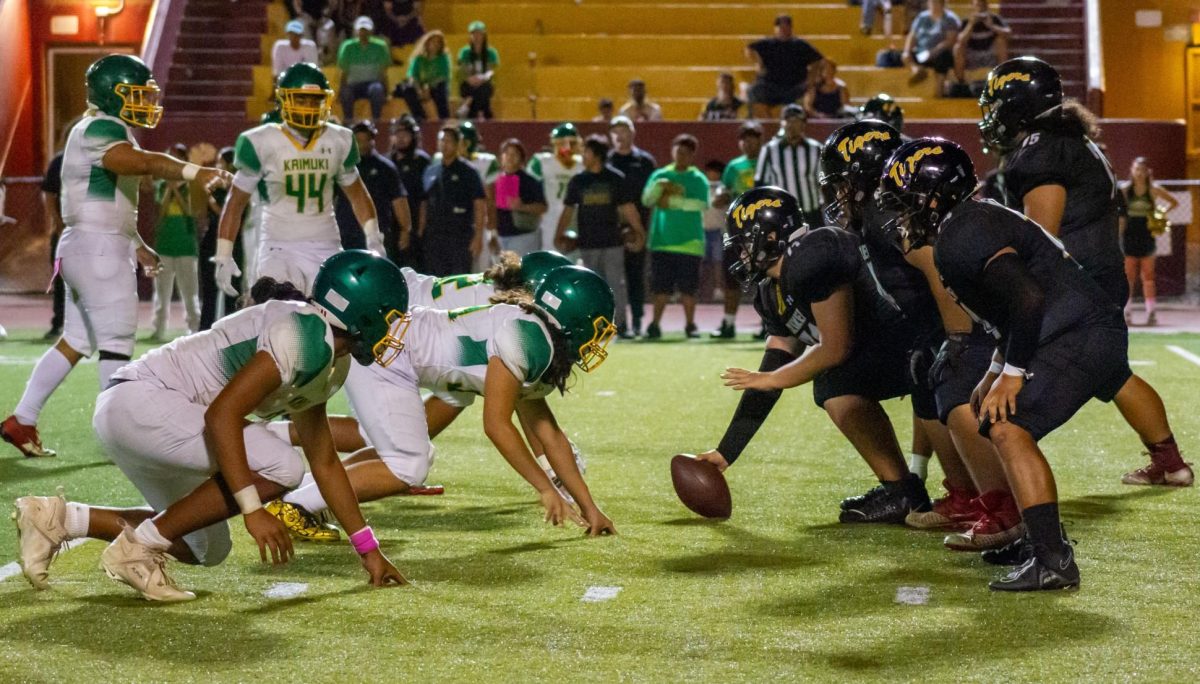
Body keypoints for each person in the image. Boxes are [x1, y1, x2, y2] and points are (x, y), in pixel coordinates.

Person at [12, 252, 410, 599]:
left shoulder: (326, 356)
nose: (393, 331)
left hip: (145, 413)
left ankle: (58, 519)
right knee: (283, 466)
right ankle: (140, 547)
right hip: (144, 403)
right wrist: (253, 509)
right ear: (361, 313)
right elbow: (222, 415)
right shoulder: (304, 336)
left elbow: (324, 462)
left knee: (204, 547)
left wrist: (368, 549)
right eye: (390, 318)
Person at [877, 138, 1143, 591]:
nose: (901, 214)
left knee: (1009, 427)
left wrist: (1014, 373)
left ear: (935, 197)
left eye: (906, 202)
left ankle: (1052, 558)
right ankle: (1034, 544)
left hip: (1078, 333)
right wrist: (997, 366)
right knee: (995, 418)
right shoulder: (965, 225)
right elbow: (1005, 307)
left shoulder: (965, 231)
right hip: (1072, 329)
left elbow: (1027, 296)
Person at [267, 265, 619, 538]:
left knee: (409, 453)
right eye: (599, 329)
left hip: (399, 353)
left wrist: (590, 508)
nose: (599, 341)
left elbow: (549, 433)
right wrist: (544, 487)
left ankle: (302, 497)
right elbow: (496, 425)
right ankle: (295, 504)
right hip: (387, 351)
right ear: (576, 320)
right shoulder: (529, 340)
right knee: (408, 464)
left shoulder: (540, 341)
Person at [2, 54, 230, 460]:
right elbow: (138, 163)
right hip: (98, 248)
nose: (145, 103)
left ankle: (22, 418)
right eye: (136, 95)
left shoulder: (104, 128)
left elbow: (109, 200)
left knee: (76, 340)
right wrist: (196, 172)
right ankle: (120, 435)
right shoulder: (103, 127)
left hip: (90, 243)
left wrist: (137, 241)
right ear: (112, 94)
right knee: (117, 341)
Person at [981, 56, 1191, 487]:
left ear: (1018, 105)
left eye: (998, 103)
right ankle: (1171, 465)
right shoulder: (1070, 139)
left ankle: (997, 497)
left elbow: (1040, 237)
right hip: (1099, 276)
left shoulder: (1043, 149)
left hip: (1077, 286)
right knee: (1113, 373)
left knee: (1003, 391)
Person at [820, 121, 1018, 549]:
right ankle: (966, 494)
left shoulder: (891, 211)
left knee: (945, 381)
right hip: (939, 325)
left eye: (842, 183)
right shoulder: (879, 210)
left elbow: (936, 269)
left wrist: (957, 339)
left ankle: (994, 503)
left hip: (969, 324)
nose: (837, 194)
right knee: (926, 375)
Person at [692, 187, 932, 523]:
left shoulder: (812, 254)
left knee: (834, 381)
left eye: (745, 243)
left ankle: (920, 491)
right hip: (891, 352)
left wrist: (773, 378)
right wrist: (727, 451)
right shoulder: (771, 290)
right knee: (835, 383)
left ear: (772, 236)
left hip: (921, 345)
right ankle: (902, 490)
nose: (742, 254)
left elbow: (835, 347)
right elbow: (771, 371)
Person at [214, 63, 385, 300]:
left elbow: (357, 194)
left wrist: (374, 238)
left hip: (326, 244)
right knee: (279, 314)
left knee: (335, 318)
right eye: (301, 99)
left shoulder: (339, 139)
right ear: (283, 101)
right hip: (278, 246)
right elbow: (236, 201)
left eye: (314, 100)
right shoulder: (262, 140)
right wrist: (224, 253)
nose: (309, 107)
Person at [557, 135, 645, 337]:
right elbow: (568, 209)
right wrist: (558, 234)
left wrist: (639, 230)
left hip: (612, 242)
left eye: (586, 151)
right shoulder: (578, 181)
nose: (582, 155)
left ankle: (620, 325)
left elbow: (628, 207)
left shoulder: (614, 178)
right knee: (590, 288)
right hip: (587, 242)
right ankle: (594, 328)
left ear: (596, 155)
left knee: (615, 285)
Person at [641, 134, 709, 339]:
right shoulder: (660, 175)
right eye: (678, 152)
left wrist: (670, 202)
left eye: (686, 153)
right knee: (660, 289)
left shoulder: (698, 179)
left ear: (692, 156)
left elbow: (700, 204)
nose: (681, 156)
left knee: (689, 289)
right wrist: (659, 186)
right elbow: (647, 200)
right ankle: (654, 324)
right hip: (662, 241)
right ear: (672, 152)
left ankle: (690, 325)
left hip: (690, 243)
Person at [710, 121, 763, 339]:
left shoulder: (766, 161)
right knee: (732, 278)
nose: (747, 142)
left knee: (765, 279)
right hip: (738, 230)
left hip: (763, 230)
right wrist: (721, 196)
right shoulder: (733, 166)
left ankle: (767, 325)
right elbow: (724, 190)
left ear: (760, 140)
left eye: (752, 137)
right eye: (744, 138)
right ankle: (728, 324)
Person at [607, 116, 657, 337]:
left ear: (632, 133)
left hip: (639, 226)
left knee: (635, 274)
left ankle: (636, 320)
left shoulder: (645, 161)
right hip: (610, 227)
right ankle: (615, 321)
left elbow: (651, 196)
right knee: (611, 277)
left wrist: (642, 229)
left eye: (623, 130)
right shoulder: (606, 160)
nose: (619, 136)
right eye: (615, 132)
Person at [336, 120, 411, 263]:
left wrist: (405, 230)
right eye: (358, 140)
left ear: (373, 140)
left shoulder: (386, 168)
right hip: (347, 232)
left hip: (377, 233)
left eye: (367, 139)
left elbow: (399, 200)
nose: (363, 144)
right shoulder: (343, 166)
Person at [150, 143, 202, 340]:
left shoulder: (192, 184)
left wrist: (177, 190)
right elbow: (161, 213)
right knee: (161, 291)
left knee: (189, 291)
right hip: (164, 244)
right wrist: (168, 189)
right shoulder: (162, 185)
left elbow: (190, 213)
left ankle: (194, 328)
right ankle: (159, 329)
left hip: (186, 245)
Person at [419, 125, 487, 275]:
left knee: (459, 280)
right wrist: (421, 229)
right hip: (434, 237)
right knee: (435, 279)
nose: (445, 144)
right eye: (442, 140)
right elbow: (424, 202)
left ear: (457, 144)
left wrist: (478, 237)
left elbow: (479, 204)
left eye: (449, 141)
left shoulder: (469, 172)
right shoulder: (431, 171)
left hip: (460, 237)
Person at [1121, 157, 1177, 326]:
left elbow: (1174, 202)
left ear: (1147, 172)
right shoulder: (1125, 190)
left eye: (1142, 170)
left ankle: (1151, 313)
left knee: (1148, 276)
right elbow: (1118, 211)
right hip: (1129, 235)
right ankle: (1127, 312)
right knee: (1128, 276)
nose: (1139, 173)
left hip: (1147, 236)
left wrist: (1160, 214)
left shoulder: (1153, 190)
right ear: (1132, 170)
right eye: (1137, 169)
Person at [754, 104, 824, 226]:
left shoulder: (816, 149)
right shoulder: (770, 150)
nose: (792, 125)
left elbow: (823, 181)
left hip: (811, 213)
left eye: (796, 121)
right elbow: (760, 184)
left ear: (803, 124)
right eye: (788, 121)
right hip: (783, 215)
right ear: (782, 123)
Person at [746, 14, 824, 118]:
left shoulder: (800, 45)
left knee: (813, 90)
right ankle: (767, 122)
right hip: (770, 86)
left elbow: (818, 60)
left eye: (786, 26)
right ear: (775, 28)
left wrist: (811, 78)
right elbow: (749, 49)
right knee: (753, 90)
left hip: (794, 87)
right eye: (780, 27)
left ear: (791, 28)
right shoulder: (767, 43)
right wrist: (758, 63)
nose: (783, 29)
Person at [199, 147, 243, 330]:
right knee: (209, 290)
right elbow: (202, 215)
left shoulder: (240, 189)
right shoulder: (218, 187)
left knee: (233, 289)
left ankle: (231, 330)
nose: (218, 166)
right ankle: (205, 329)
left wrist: (209, 198)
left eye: (221, 162)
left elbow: (226, 213)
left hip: (232, 242)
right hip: (212, 242)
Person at [528, 123, 584, 252]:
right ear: (555, 144)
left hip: (576, 215)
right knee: (551, 253)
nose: (568, 147)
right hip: (550, 215)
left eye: (572, 143)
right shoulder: (543, 162)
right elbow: (529, 189)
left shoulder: (582, 164)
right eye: (563, 143)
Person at [388, 114, 430, 266]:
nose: (401, 138)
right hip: (390, 228)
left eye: (405, 134)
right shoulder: (387, 162)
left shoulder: (422, 161)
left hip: (415, 226)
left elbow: (425, 200)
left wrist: (419, 231)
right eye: (397, 134)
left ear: (414, 136)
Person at [493, 138, 547, 255]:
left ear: (521, 158)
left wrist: (522, 207)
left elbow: (542, 207)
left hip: (523, 236)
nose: (509, 157)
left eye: (514, 154)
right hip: (501, 236)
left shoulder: (530, 181)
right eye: (506, 153)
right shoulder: (496, 180)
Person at [337, 16, 392, 121]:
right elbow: (344, 72)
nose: (363, 33)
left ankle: (376, 122)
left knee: (377, 90)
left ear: (371, 31)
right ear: (356, 31)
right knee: (346, 93)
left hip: (372, 83)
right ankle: (348, 122)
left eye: (366, 30)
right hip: (353, 85)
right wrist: (340, 90)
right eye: (361, 30)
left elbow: (383, 72)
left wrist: (387, 92)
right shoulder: (347, 47)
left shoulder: (380, 47)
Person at [901, 0, 960, 94]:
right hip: (921, 53)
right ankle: (917, 70)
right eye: (931, 2)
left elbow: (950, 41)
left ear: (942, 4)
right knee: (894, 56)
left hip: (939, 53)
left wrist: (933, 51)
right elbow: (912, 36)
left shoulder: (950, 19)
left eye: (936, 3)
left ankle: (939, 89)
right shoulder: (921, 17)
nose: (933, 5)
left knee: (944, 57)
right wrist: (907, 51)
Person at [951, 0, 1009, 90]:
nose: (980, 8)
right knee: (958, 47)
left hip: (989, 55)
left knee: (1001, 41)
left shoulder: (994, 19)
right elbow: (960, 40)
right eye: (978, 5)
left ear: (987, 7)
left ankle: (1003, 79)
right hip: (972, 55)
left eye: (983, 6)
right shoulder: (967, 21)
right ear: (973, 7)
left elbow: (1008, 34)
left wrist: (991, 26)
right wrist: (971, 24)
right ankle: (961, 84)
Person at [40, 149, 66, 340]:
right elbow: (49, 194)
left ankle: (93, 326)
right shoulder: (60, 161)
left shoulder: (98, 157)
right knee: (61, 277)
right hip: (65, 231)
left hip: (93, 231)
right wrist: (58, 224)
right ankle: (59, 323)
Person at [397, 30, 451, 121]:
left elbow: (443, 76)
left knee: (441, 89)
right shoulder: (419, 59)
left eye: (438, 42)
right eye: (433, 41)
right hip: (420, 86)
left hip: (435, 86)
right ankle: (420, 118)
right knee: (407, 88)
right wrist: (419, 90)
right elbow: (413, 76)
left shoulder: (443, 58)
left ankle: (444, 118)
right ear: (427, 43)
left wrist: (428, 88)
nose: (435, 44)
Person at [456, 20, 499, 120]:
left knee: (483, 88)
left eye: (479, 34)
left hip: (484, 83)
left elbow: (491, 70)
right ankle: (486, 114)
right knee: (477, 92)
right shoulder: (465, 52)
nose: (477, 37)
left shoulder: (491, 52)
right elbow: (463, 69)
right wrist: (470, 79)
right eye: (474, 34)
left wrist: (482, 78)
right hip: (468, 83)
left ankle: (467, 104)